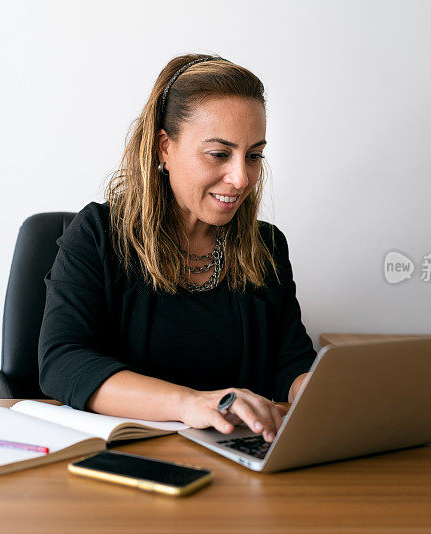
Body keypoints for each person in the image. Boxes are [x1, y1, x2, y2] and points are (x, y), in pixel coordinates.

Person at [38, 53, 315, 444]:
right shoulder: (99, 233)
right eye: (219, 154)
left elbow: (291, 361)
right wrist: (190, 403)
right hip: (128, 462)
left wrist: (319, 392)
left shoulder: (266, 246)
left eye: (253, 156)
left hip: (237, 460)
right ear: (165, 148)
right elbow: (63, 363)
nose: (240, 178)